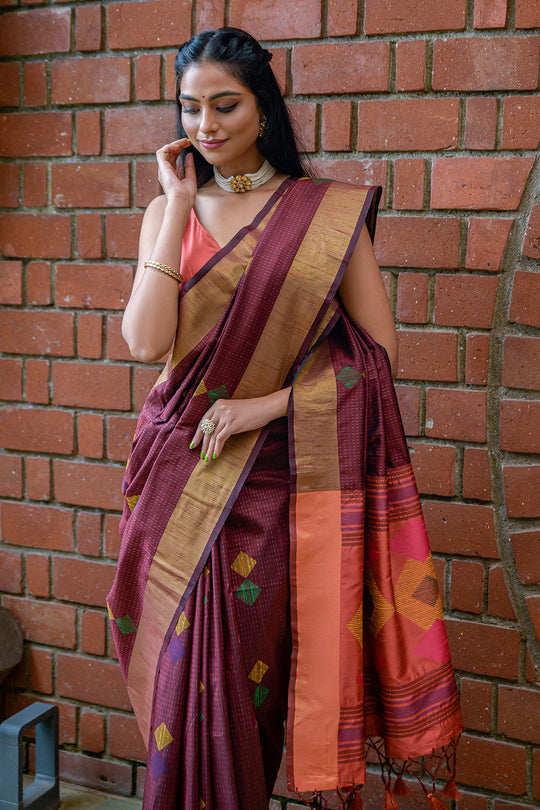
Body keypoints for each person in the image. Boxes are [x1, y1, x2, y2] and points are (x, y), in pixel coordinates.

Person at [107, 27, 463, 810]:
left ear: (263, 109)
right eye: (190, 108)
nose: (205, 125)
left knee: (242, 692)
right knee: (175, 696)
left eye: (225, 105)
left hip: (270, 485)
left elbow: (378, 356)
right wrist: (177, 205)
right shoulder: (169, 211)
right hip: (173, 472)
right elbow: (145, 343)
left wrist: (264, 406)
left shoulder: (323, 217)